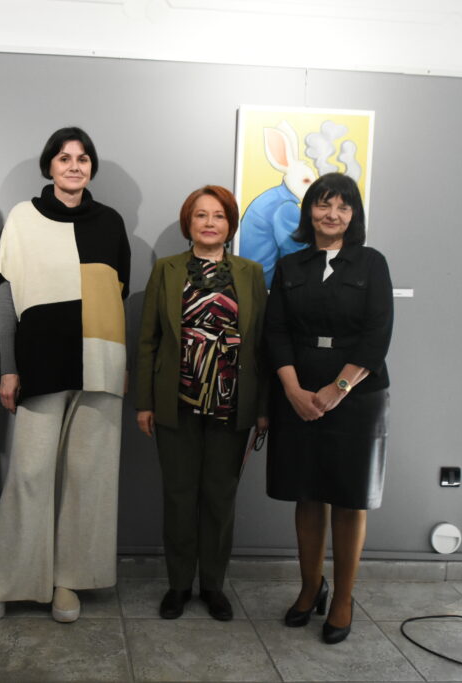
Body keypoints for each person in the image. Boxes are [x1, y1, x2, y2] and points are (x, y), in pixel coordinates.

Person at [0, 127, 130, 640]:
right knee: (28, 474)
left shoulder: (110, 222)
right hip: (41, 363)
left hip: (100, 361)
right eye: (64, 158)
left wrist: (116, 362)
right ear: (49, 166)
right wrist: (9, 367)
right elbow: (6, 297)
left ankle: (68, 580)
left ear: (91, 167)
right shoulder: (23, 218)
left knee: (88, 477)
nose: (74, 166)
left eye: (83, 158)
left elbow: (116, 293)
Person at [264, 172, 392, 644]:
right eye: (323, 204)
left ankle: (343, 597)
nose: (331, 214)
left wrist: (338, 387)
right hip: (299, 391)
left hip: (357, 395)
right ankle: (309, 587)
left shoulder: (372, 263)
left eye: (342, 206)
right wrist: (293, 390)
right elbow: (276, 332)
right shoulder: (290, 265)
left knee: (348, 497)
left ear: (353, 214)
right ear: (309, 212)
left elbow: (378, 334)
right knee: (307, 493)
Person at [135, 186, 268, 621]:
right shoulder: (167, 270)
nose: (210, 223)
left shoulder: (250, 273)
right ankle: (178, 585)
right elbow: (149, 339)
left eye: (219, 215)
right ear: (188, 223)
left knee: (219, 499)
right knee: (178, 497)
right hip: (177, 402)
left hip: (232, 404)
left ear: (230, 224)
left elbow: (261, 344)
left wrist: (262, 407)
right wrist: (144, 402)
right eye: (200, 215)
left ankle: (212, 585)